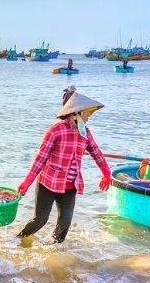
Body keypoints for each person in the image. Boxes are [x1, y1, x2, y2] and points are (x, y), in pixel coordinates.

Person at [16, 91, 111, 244]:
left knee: (64, 224)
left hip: (70, 186)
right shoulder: (55, 130)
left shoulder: (85, 133)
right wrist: (27, 182)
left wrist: (106, 173)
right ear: (76, 113)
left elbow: (96, 153)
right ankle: (18, 239)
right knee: (40, 220)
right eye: (87, 113)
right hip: (48, 183)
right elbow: (41, 158)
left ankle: (53, 255)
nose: (89, 117)